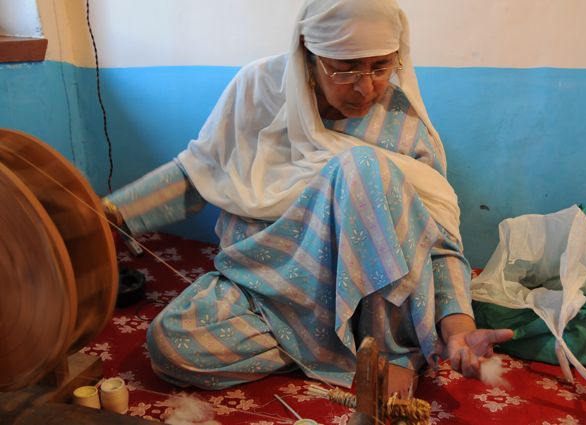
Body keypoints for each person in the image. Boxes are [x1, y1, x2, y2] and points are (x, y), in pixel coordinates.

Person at [104, 0, 513, 391]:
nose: (365, 87)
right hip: (271, 283)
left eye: (381, 66)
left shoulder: (403, 127)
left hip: (371, 308)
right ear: (308, 56)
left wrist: (457, 329)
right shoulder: (260, 92)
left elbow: (437, 243)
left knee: (362, 166)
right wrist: (110, 213)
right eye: (345, 69)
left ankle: (383, 353)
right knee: (172, 346)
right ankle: (331, 349)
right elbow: (201, 173)